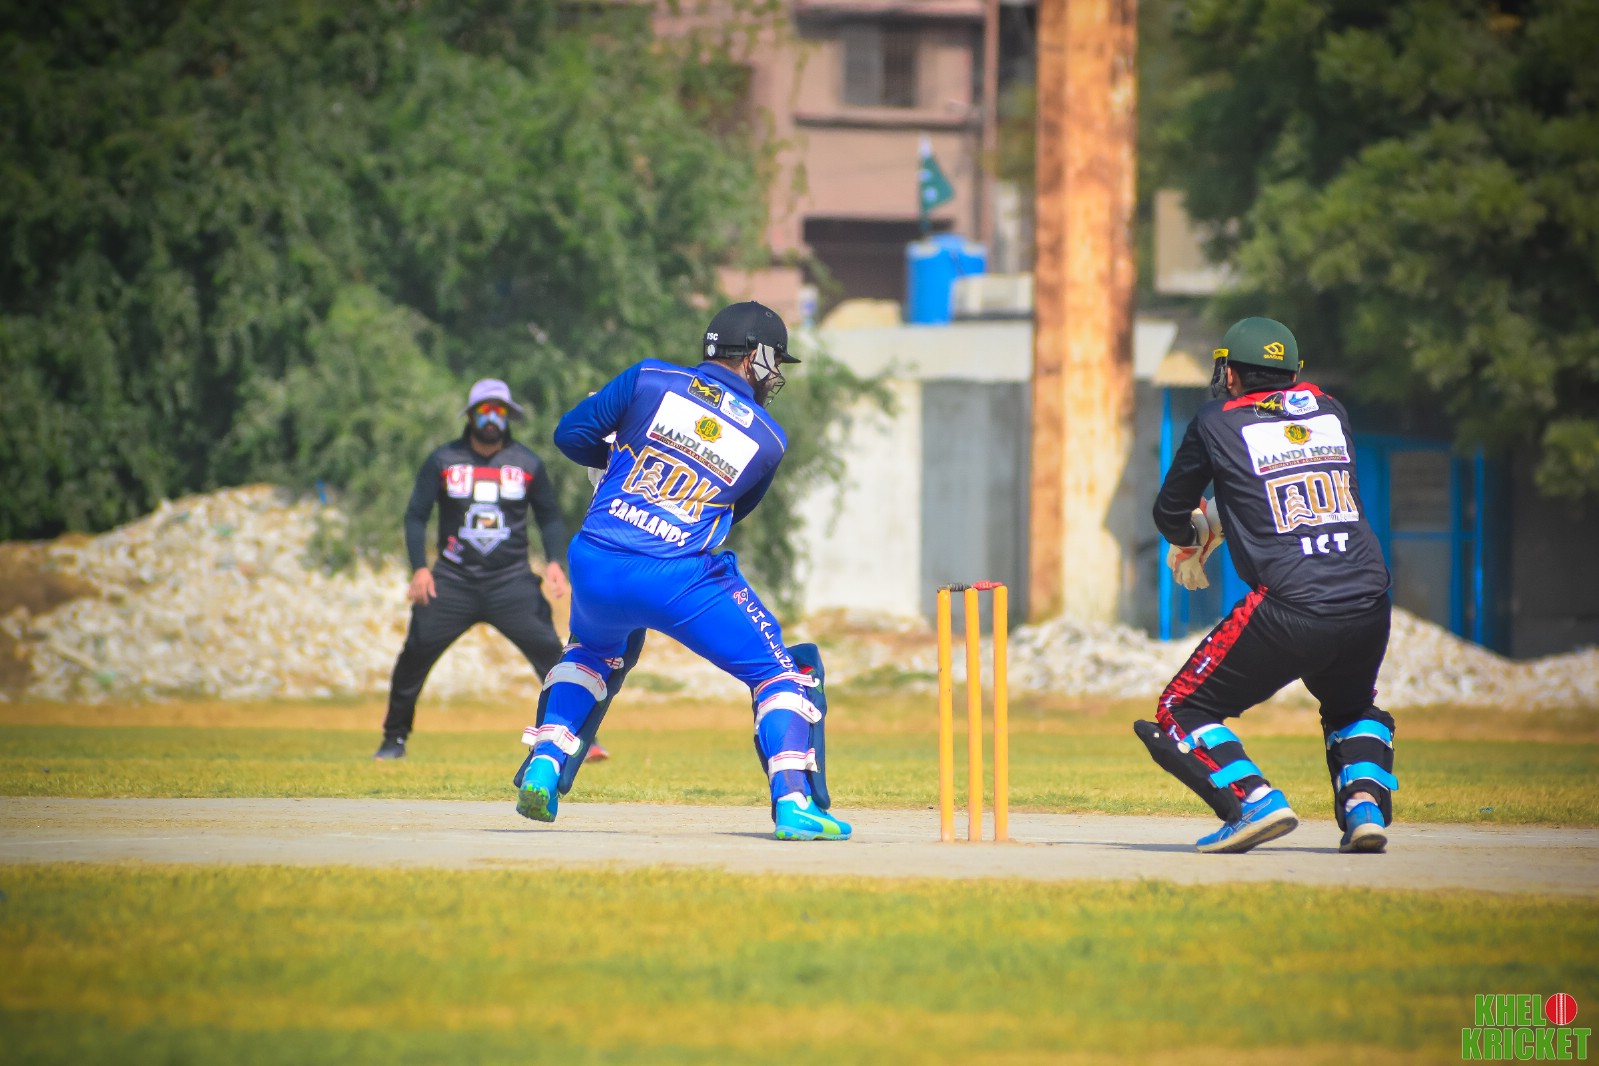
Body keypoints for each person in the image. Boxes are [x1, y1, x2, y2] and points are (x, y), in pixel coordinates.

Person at [512, 300, 850, 841]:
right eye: (774, 363)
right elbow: (734, 510)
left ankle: (545, 765)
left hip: (596, 559)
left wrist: (618, 460)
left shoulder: (648, 378)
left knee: (591, 654)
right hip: (676, 575)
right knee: (780, 673)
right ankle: (794, 803)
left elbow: (570, 435)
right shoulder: (767, 438)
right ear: (756, 357)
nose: (776, 376)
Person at [1137, 317, 1397, 854]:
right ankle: (1364, 808)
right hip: (1368, 600)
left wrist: (1191, 538)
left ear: (1230, 373)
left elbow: (1170, 510)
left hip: (1291, 605)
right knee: (1351, 708)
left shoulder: (1217, 421)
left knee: (1181, 709)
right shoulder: (1331, 412)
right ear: (1293, 373)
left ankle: (1253, 801)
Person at [373, 379, 572, 760]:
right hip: (452, 580)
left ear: (509, 416)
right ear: (470, 416)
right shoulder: (443, 460)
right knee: (414, 654)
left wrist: (554, 561)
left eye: (499, 411)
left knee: (553, 656)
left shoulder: (528, 463)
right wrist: (419, 568)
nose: (492, 418)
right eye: (484, 410)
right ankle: (393, 739)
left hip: (511, 581)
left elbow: (549, 516)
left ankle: (575, 737)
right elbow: (416, 515)